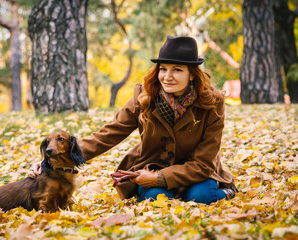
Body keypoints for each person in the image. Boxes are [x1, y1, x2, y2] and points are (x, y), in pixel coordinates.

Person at [29, 36, 237, 204]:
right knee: (155, 199)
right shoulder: (144, 95)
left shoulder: (212, 103)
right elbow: (109, 133)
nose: (167, 76)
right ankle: (171, 193)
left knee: (202, 197)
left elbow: (203, 162)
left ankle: (224, 192)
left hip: (196, 172)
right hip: (153, 167)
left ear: (192, 75)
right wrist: (51, 159)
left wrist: (157, 179)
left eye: (177, 70)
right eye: (163, 69)